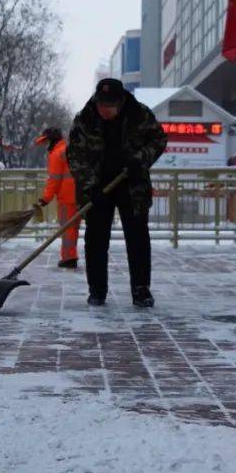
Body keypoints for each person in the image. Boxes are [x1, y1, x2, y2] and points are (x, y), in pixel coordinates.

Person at [67, 78, 167, 308]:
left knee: (138, 238)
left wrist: (139, 161)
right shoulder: (86, 119)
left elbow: (159, 139)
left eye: (109, 106)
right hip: (98, 187)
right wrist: (90, 187)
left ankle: (141, 290)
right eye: (102, 105)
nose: (105, 110)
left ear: (121, 102)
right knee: (95, 240)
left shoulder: (139, 114)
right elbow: (75, 156)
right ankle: (97, 290)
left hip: (131, 184)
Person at [32, 126, 79, 269]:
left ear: (51, 140)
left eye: (46, 142)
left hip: (67, 197)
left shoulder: (56, 154)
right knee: (74, 229)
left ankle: (69, 258)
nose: (46, 145)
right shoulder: (69, 149)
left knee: (67, 230)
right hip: (80, 196)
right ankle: (72, 256)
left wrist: (45, 199)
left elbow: (54, 180)